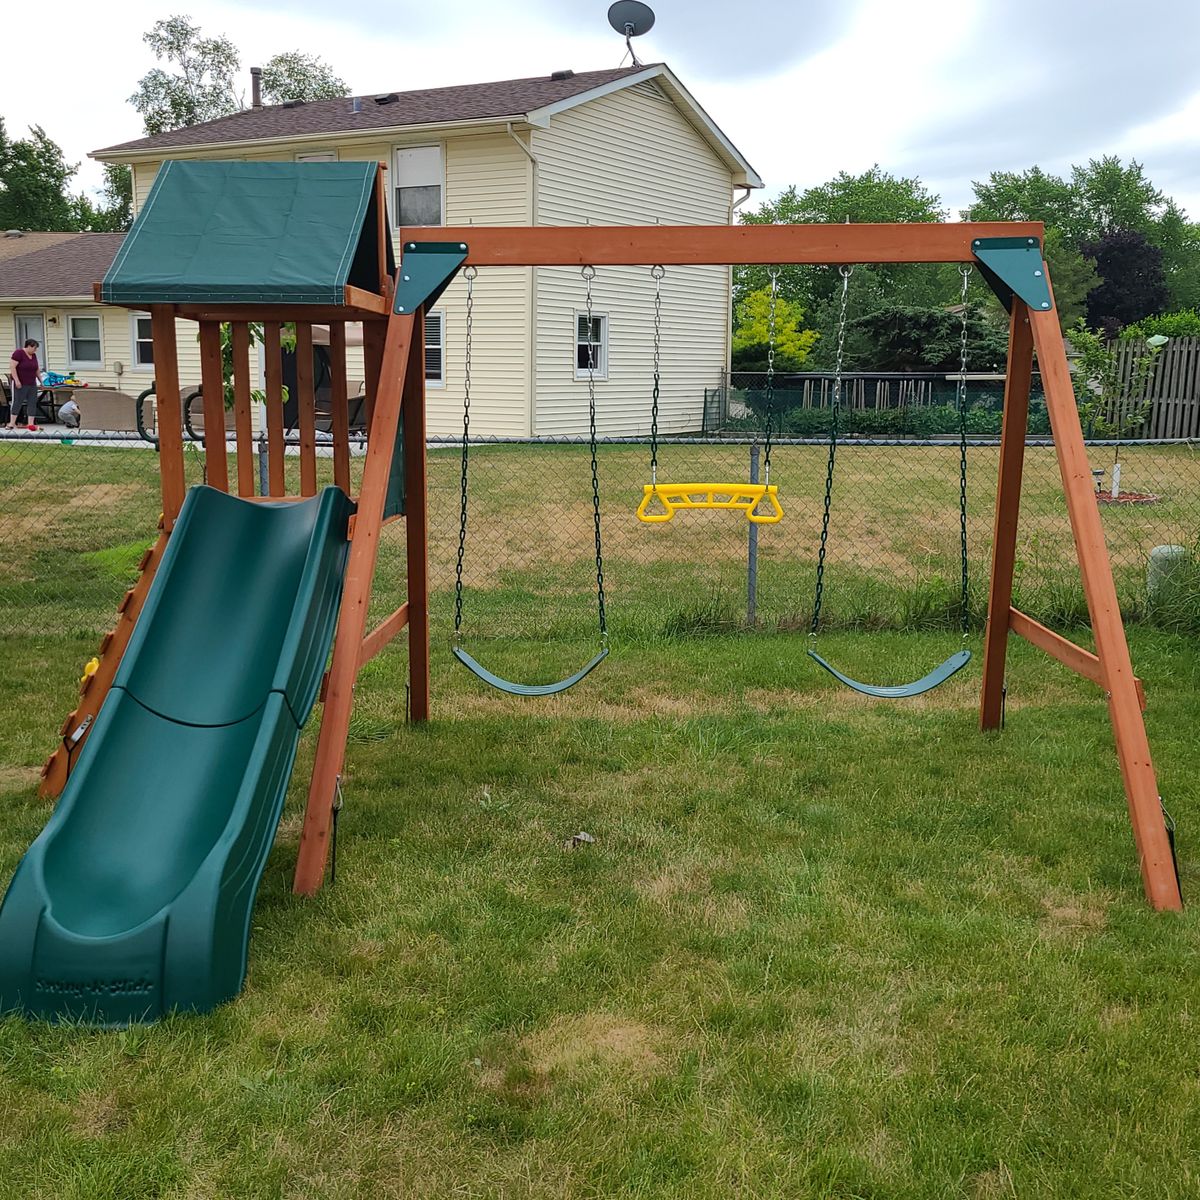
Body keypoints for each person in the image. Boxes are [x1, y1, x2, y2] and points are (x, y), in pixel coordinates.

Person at [7, 339, 42, 431]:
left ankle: (30, 423)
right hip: (20, 382)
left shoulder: (33, 356)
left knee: (32, 402)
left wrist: (41, 380)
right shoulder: (18, 353)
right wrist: (17, 380)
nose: (35, 350)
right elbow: (12, 367)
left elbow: (36, 369)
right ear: (29, 346)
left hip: (31, 383)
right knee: (17, 401)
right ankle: (12, 423)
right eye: (34, 348)